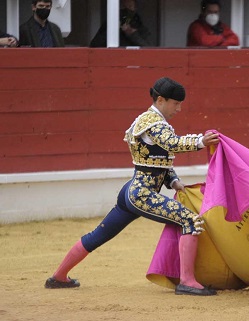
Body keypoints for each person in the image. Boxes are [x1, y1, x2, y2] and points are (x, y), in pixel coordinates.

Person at [44, 77, 220, 296]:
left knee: (99, 235)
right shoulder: (153, 123)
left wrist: (172, 180)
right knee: (190, 220)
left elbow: (156, 158)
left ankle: (58, 277)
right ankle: (187, 281)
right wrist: (201, 142)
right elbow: (172, 144)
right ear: (161, 100)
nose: (179, 108)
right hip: (143, 195)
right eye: (176, 103)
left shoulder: (150, 121)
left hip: (132, 192)